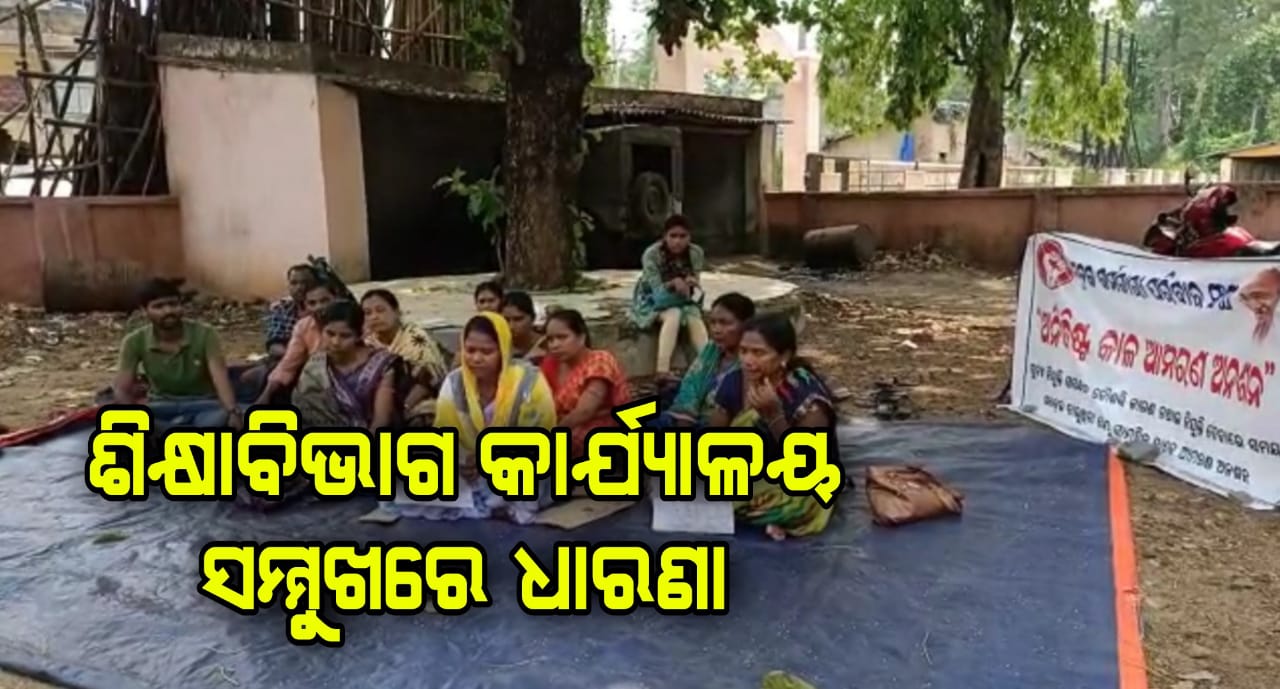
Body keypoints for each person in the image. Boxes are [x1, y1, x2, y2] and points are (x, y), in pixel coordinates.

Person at [399, 312, 557, 524]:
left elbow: (540, 438)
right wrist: (460, 463)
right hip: (468, 468)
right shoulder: (455, 382)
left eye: (487, 351)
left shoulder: (529, 382)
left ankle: (489, 502)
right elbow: (444, 435)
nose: (476, 358)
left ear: (503, 350)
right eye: (470, 350)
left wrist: (488, 459)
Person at [708, 314, 838, 541]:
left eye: (759, 353)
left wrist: (774, 416)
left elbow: (806, 465)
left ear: (784, 356)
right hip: (753, 470)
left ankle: (774, 516)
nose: (748, 360)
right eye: (743, 351)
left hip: (801, 478)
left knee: (801, 502)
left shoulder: (807, 397)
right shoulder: (734, 381)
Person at [112, 278, 241, 430]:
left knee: (220, 420)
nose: (168, 311)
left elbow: (220, 377)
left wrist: (232, 411)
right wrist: (133, 417)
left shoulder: (205, 334)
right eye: (159, 306)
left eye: (173, 304)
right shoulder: (134, 341)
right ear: (144, 310)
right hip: (160, 405)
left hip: (203, 404)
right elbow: (122, 388)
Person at [292, 301, 400, 430]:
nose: (336, 342)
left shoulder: (381, 364)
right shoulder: (315, 366)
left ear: (358, 336)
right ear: (322, 331)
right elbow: (304, 412)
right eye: (330, 334)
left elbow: (381, 420)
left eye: (345, 336)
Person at [539, 309, 631, 457]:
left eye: (562, 337)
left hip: (603, 429)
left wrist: (552, 431)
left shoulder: (600, 360)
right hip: (563, 427)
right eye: (550, 340)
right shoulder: (551, 365)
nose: (555, 345)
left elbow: (585, 411)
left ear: (581, 337)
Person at [629, 215, 710, 379]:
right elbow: (657, 293)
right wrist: (672, 284)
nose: (677, 241)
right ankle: (662, 371)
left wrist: (692, 283)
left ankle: (709, 366)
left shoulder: (695, 253)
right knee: (674, 314)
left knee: (693, 315)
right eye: (673, 236)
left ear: (690, 237)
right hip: (651, 300)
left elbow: (694, 290)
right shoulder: (651, 254)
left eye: (683, 236)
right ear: (664, 237)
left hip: (683, 299)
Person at [658, 292, 756, 427]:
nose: (716, 330)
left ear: (745, 325)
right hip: (688, 418)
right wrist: (684, 419)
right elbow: (692, 384)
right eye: (713, 322)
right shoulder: (712, 350)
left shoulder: (751, 362)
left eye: (724, 323)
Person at [361, 288, 448, 424]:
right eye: (368, 313)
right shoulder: (367, 343)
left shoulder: (414, 337)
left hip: (416, 399)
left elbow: (427, 381)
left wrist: (403, 408)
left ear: (397, 312)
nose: (374, 317)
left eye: (380, 310)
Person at [255, 282, 337, 405]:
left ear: (336, 299)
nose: (319, 307)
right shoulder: (303, 326)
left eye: (324, 301)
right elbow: (288, 364)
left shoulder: (351, 320)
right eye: (312, 303)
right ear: (305, 306)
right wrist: (265, 396)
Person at [264, 264, 318, 359]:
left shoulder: (325, 309)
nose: (299, 287)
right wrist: (294, 357)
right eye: (294, 283)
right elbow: (274, 345)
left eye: (305, 282)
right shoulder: (281, 309)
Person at [501, 290, 546, 363]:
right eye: (506, 320)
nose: (511, 326)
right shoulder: (497, 346)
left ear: (533, 318)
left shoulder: (548, 345)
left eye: (518, 319)